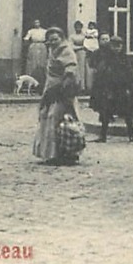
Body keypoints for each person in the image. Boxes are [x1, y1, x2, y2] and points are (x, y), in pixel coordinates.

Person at [33, 26, 83, 166]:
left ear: (62, 38)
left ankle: (66, 153)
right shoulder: (52, 51)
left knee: (59, 119)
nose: (53, 42)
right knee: (47, 117)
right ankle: (50, 153)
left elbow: (71, 68)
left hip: (61, 91)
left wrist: (64, 87)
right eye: (50, 40)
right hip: (50, 89)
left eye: (56, 39)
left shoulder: (66, 50)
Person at [93, 36, 133, 143]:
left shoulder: (124, 59)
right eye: (114, 46)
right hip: (110, 90)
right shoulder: (106, 59)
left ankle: (132, 135)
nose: (116, 48)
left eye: (119, 46)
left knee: (127, 114)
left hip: (122, 90)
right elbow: (101, 74)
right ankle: (103, 136)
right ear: (110, 46)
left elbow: (130, 75)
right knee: (106, 114)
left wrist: (130, 88)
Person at [23, 19, 47, 90]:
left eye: (38, 22)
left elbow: (48, 39)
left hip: (42, 46)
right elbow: (26, 38)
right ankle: (31, 82)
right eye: (35, 23)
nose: (37, 24)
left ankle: (42, 82)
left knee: (42, 63)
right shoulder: (31, 31)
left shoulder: (44, 31)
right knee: (33, 64)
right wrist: (27, 43)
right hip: (33, 46)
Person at [82, 21, 99, 91]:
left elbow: (95, 35)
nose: (91, 27)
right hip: (88, 46)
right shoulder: (87, 31)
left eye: (93, 26)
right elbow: (86, 35)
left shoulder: (95, 31)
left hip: (94, 45)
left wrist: (90, 35)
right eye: (90, 26)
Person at [70, 20, 87, 88]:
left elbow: (88, 44)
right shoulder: (72, 36)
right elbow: (71, 46)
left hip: (83, 54)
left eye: (79, 27)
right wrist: (81, 47)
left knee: (83, 69)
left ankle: (83, 86)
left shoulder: (85, 35)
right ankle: (76, 86)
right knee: (76, 69)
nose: (78, 28)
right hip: (75, 53)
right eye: (76, 27)